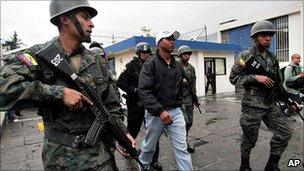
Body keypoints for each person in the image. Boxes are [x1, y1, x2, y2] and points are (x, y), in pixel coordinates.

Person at [0, 0, 136, 170]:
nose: (91, 23)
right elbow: (4, 89)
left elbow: (111, 104)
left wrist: (122, 133)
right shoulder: (38, 56)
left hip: (101, 157)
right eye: (85, 17)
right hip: (61, 158)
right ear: (65, 19)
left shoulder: (96, 61)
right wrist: (59, 94)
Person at [229, 20, 292, 171]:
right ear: (255, 37)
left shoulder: (272, 56)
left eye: (270, 35)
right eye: (264, 35)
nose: (268, 38)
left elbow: (278, 81)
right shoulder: (246, 56)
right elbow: (233, 78)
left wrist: (288, 100)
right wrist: (255, 77)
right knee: (250, 137)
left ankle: (272, 164)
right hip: (252, 104)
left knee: (285, 133)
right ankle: (244, 165)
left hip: (270, 102)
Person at [138, 30, 193, 170]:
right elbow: (144, 91)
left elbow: (181, 83)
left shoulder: (177, 65)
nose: (172, 41)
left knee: (182, 149)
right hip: (157, 114)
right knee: (149, 148)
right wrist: (160, 110)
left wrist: (183, 83)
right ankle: (143, 165)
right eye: (168, 39)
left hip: (176, 111)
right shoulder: (150, 64)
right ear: (159, 43)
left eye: (173, 39)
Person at [117, 42, 162, 170]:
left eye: (147, 52)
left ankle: (154, 161)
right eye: (143, 53)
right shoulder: (131, 66)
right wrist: (134, 90)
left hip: (151, 104)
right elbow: (120, 82)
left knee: (154, 132)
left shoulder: (154, 65)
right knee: (132, 131)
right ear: (138, 53)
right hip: (135, 105)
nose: (145, 55)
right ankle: (127, 149)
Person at [177, 45, 198, 153]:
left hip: (189, 98)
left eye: (189, 54)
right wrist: (181, 81)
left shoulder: (191, 68)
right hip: (179, 100)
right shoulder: (175, 66)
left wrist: (195, 98)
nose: (188, 56)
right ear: (180, 55)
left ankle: (183, 140)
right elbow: (169, 82)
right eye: (185, 54)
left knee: (190, 122)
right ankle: (183, 143)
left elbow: (193, 84)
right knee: (184, 122)